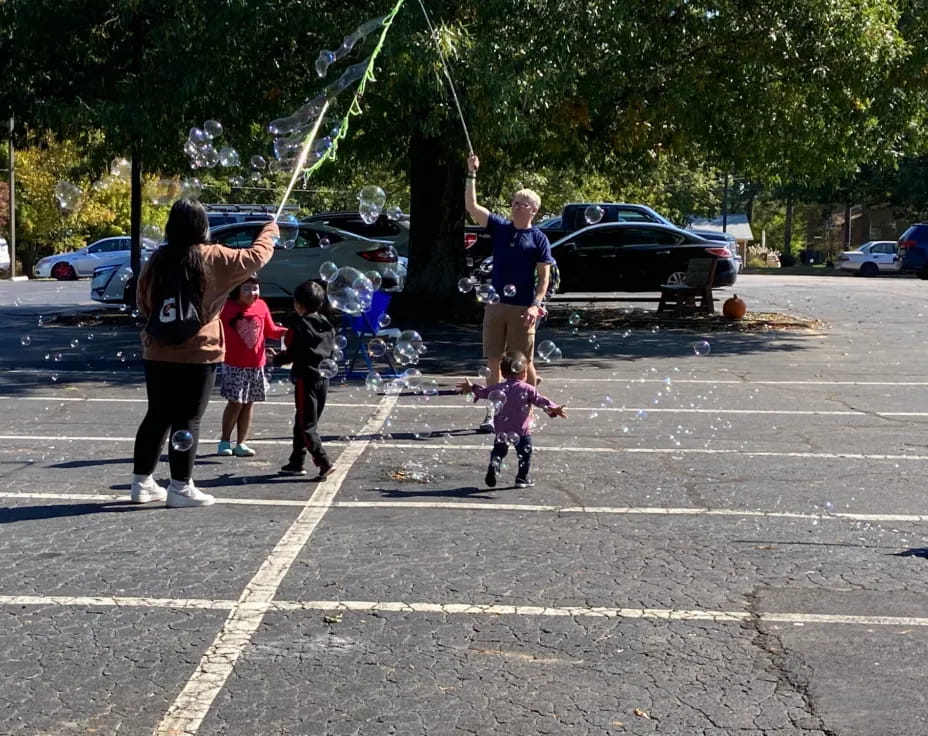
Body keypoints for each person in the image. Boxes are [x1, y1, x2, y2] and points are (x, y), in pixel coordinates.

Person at [131, 199, 277, 507]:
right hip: (199, 352)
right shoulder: (215, 257)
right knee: (188, 419)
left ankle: (141, 483)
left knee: (156, 415)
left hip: (156, 349)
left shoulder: (158, 258)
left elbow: (142, 301)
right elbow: (257, 256)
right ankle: (180, 487)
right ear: (203, 225)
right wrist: (269, 233)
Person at [464, 151, 555, 433]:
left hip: (523, 308)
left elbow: (544, 278)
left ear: (534, 210)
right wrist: (472, 173)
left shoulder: (539, 239)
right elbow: (472, 206)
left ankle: (525, 411)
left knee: (524, 362)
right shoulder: (501, 228)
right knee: (493, 360)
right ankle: (492, 413)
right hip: (496, 304)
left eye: (522, 204)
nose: (516, 207)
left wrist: (535, 304)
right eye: (514, 202)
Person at [457, 350, 567, 488]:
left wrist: (471, 387)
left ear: (502, 373)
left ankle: (494, 465)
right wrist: (555, 408)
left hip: (501, 429)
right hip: (522, 431)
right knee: (524, 454)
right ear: (523, 372)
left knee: (499, 451)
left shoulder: (498, 387)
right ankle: (522, 478)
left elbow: (483, 392)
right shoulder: (527, 389)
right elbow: (540, 401)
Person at [272, 280, 337, 481]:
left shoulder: (297, 326)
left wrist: (275, 359)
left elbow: (291, 352)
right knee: (305, 420)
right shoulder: (327, 324)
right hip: (323, 378)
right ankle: (296, 462)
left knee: (306, 425)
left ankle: (323, 462)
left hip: (305, 379)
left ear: (298, 304)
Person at [217, 275, 287, 457]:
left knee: (248, 403)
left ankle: (241, 443)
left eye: (255, 289)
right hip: (234, 364)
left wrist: (290, 331)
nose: (252, 293)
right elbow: (215, 330)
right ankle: (224, 441)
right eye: (246, 289)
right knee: (236, 403)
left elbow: (270, 330)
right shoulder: (227, 308)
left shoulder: (261, 306)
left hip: (256, 364)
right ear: (236, 290)